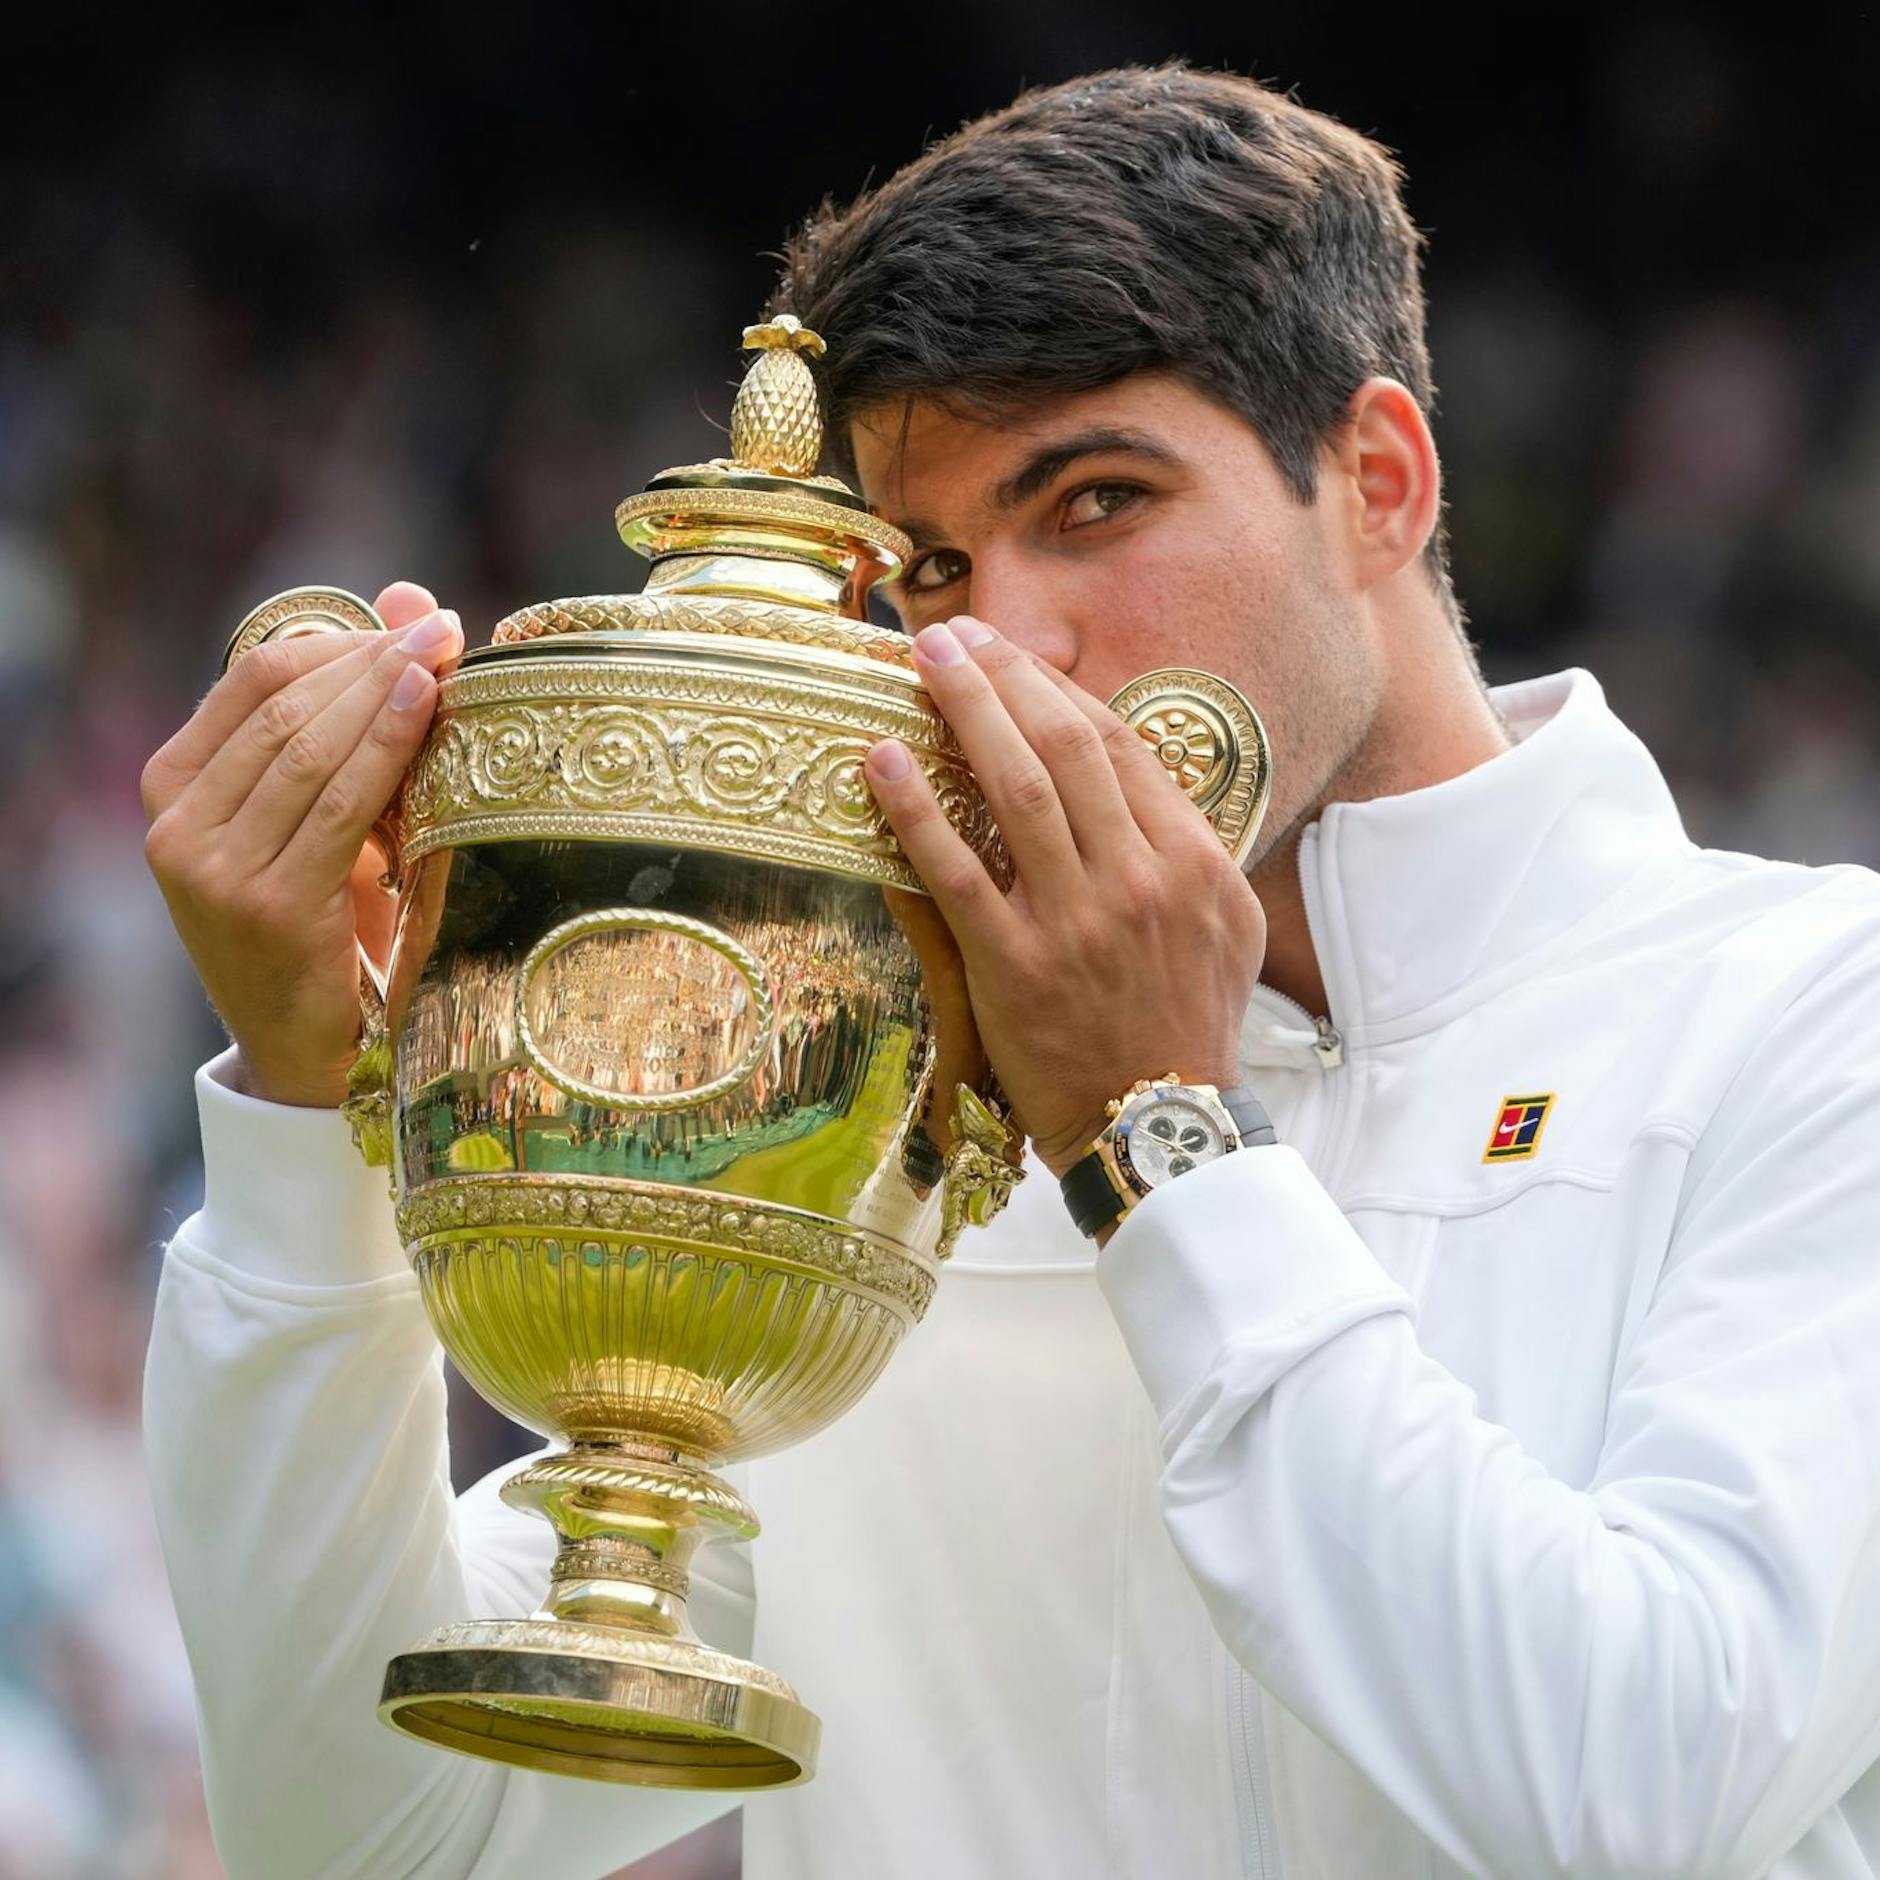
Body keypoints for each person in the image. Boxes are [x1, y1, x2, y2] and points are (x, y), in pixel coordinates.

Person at [140, 64, 1880, 1880]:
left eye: (1101, 503)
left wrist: (1160, 1148)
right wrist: (298, 1116)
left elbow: (1646, 1785)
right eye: (936, 567)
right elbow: (368, 1836)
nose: (1008, 644)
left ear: (1377, 482)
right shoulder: (888, 1104)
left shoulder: (1811, 1011)